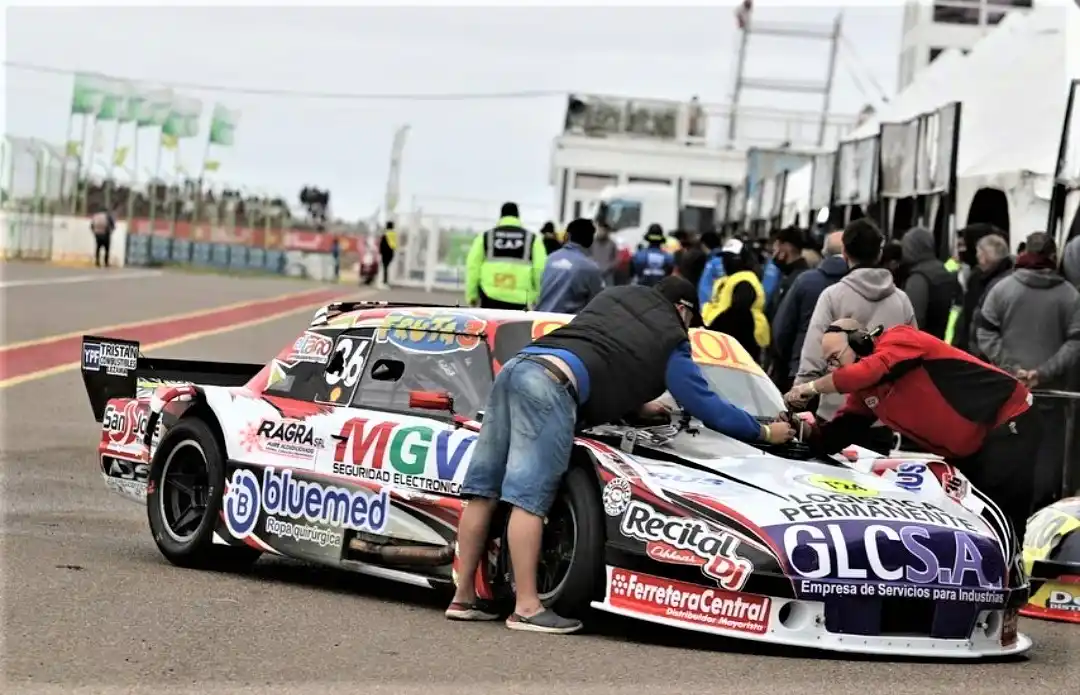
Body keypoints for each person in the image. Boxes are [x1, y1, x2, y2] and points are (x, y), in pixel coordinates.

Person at [446, 276, 795, 634]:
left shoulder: (614, 296)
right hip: (550, 386)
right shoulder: (671, 337)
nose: (689, 330)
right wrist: (764, 431)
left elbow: (601, 353)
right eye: (690, 322)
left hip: (519, 368)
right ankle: (527, 608)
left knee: (483, 492)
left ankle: (462, 597)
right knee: (529, 497)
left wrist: (637, 407)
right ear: (682, 310)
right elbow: (705, 403)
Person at [784, 318, 1040, 541]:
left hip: (1008, 416)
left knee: (1002, 515)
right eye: (828, 364)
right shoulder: (866, 392)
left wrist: (810, 388)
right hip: (972, 445)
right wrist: (801, 431)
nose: (833, 369)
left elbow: (870, 371)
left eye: (834, 359)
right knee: (977, 519)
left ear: (861, 341)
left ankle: (1011, 584)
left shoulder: (899, 339)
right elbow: (840, 433)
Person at [975, 232, 1080, 511]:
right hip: (1052, 399)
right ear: (1054, 258)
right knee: (1047, 468)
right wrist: (1042, 373)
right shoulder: (1070, 296)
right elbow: (1075, 343)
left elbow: (984, 333)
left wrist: (1012, 369)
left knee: (1005, 463)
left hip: (1007, 395)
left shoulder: (1002, 289)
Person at [793, 218, 916, 420]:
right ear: (879, 252)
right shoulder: (901, 300)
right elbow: (912, 357)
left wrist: (800, 391)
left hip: (837, 413)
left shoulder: (832, 296)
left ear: (844, 253)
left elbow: (814, 353)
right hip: (884, 415)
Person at [769, 231, 848, 394]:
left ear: (825, 252)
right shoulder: (867, 287)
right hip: (848, 377)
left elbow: (781, 330)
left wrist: (788, 363)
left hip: (803, 371)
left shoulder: (806, 281)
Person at [464, 202, 547, 310]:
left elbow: (473, 267)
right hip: (520, 299)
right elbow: (540, 269)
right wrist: (537, 296)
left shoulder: (486, 236)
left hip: (489, 296)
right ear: (518, 216)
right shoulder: (532, 239)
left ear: (501, 216)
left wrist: (472, 295)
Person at [701, 238, 770, 362]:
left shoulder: (745, 280)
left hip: (740, 344)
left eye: (730, 257)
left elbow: (738, 312)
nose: (725, 261)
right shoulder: (728, 280)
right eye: (724, 257)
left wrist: (714, 328)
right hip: (722, 342)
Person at [952, 224, 1010, 354]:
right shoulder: (982, 275)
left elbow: (972, 316)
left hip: (982, 351)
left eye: (963, 246)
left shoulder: (980, 279)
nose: (960, 251)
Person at [900, 226, 959, 340]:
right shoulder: (943, 270)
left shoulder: (919, 277)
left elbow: (914, 321)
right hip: (940, 340)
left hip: (923, 345)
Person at [534, 218, 605, 314]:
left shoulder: (550, 259)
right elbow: (597, 304)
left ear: (568, 236)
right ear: (591, 240)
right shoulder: (590, 268)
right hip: (567, 325)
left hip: (539, 321)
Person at [965, 232, 1013, 359]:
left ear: (986, 256)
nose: (977, 256)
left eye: (979, 252)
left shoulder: (999, 283)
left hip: (989, 353)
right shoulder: (979, 277)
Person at [767, 226, 810, 319]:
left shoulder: (798, 280)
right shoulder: (787, 275)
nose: (773, 256)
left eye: (775, 250)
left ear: (786, 247)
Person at [588, 222, 619, 287]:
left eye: (603, 230)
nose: (600, 232)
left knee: (609, 293)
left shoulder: (612, 244)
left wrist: (608, 267)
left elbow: (616, 259)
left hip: (607, 274)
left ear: (607, 232)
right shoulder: (592, 243)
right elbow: (587, 255)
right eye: (599, 230)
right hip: (594, 273)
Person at [378, 222, 397, 288]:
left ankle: (385, 282)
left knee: (385, 268)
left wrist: (380, 252)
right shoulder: (394, 234)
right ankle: (387, 281)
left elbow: (382, 244)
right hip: (391, 252)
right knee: (388, 267)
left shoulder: (385, 234)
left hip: (385, 253)